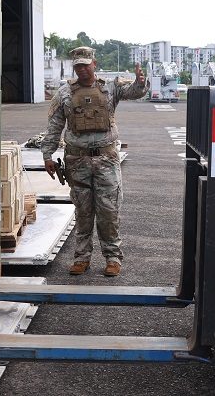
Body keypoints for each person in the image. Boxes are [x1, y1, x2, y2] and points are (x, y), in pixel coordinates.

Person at [42, 46, 149, 276]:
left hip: (106, 160)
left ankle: (112, 258)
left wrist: (141, 82)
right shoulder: (64, 93)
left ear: (94, 64)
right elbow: (55, 126)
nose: (82, 69)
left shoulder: (110, 87)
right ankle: (82, 258)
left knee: (109, 211)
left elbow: (134, 92)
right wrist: (47, 155)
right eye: (78, 65)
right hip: (77, 161)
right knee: (83, 212)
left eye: (85, 64)